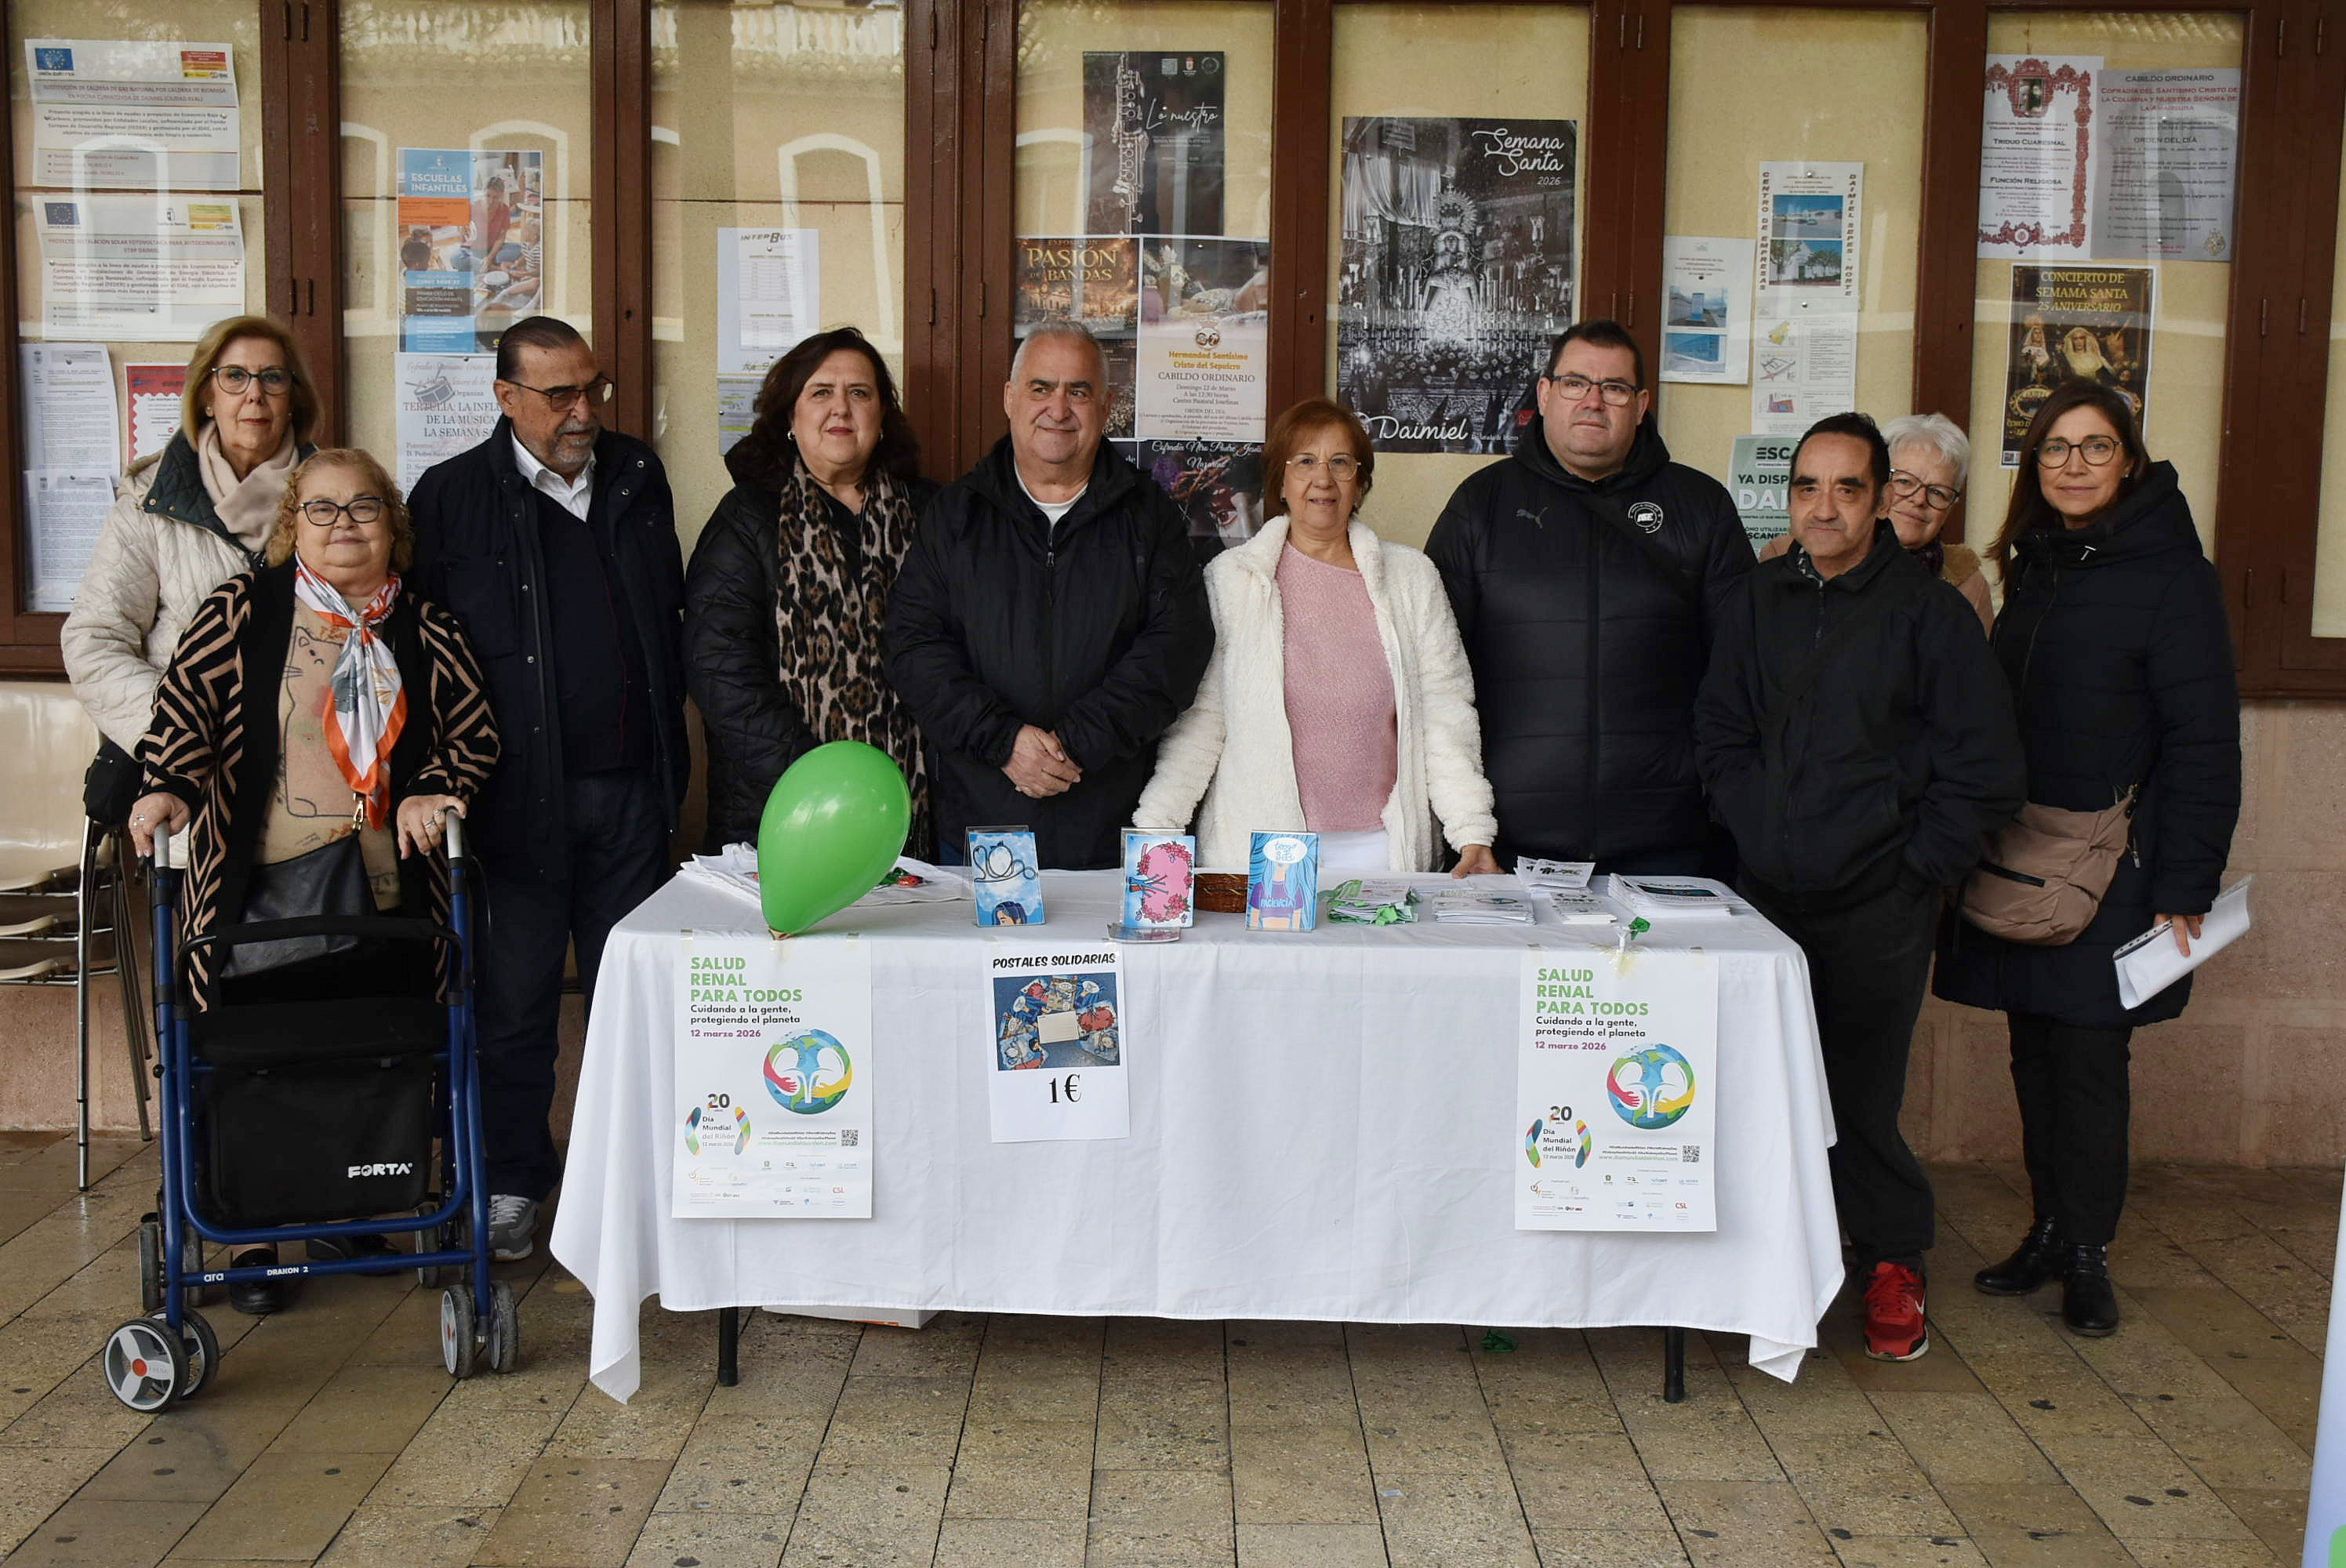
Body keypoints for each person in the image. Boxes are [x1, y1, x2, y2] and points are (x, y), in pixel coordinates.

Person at [124, 448, 499, 1314]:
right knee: (251, 1059)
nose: (343, 526)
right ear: (294, 523)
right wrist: (167, 787)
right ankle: (246, 1231)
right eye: (321, 509)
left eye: (364, 507)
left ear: (392, 524)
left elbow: (473, 733)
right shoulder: (243, 611)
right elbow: (183, 715)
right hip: (255, 897)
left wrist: (436, 786)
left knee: (365, 1054)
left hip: (388, 896)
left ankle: (350, 1210)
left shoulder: (426, 627)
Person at [1694, 412, 2024, 1363]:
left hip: (1880, 902)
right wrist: (1754, 822)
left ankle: (1890, 1261)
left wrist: (1915, 871)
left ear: (1881, 501)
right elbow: (1719, 731)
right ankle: (1760, 1268)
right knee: (1757, 1091)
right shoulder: (1756, 600)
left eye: (1847, 487)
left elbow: (1984, 769)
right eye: (1807, 487)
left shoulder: (1928, 614)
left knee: (1859, 1096)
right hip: (1764, 897)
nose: (1824, 506)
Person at [1934, 382, 2241, 1337]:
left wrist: (2185, 882)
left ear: (2129, 461)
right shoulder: (2036, 563)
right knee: (2034, 1052)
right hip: (2028, 852)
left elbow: (2203, 742)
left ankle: (2086, 1254)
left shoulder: (2174, 577)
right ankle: (2047, 1228)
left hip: (2117, 866)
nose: (2072, 465)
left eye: (2094, 446)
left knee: (2090, 1061)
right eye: (2054, 448)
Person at [409, 315, 685, 1261]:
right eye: (559, 393)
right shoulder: (450, 497)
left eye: (591, 388)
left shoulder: (637, 473)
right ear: (505, 396)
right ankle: (514, 1182)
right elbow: (423, 656)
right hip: (512, 803)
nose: (582, 411)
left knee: (631, 999)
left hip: (630, 793)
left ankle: (633, 1184)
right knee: (516, 1006)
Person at [1425, 319, 1754, 873]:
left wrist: (1722, 800)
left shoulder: (1702, 507)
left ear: (1641, 404)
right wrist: (1465, 822)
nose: (1593, 402)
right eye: (1575, 383)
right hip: (1508, 844)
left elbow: (1742, 670)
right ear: (1545, 395)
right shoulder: (1480, 506)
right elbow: (1434, 679)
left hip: (1669, 844)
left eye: (1615, 388)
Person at [884, 319, 1211, 869]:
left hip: (1112, 832)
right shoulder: (956, 516)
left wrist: (1076, 744)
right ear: (1010, 399)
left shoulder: (1150, 517)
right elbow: (913, 646)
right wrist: (1004, 740)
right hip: (980, 828)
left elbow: (1177, 648)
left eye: (1078, 391)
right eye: (1041, 388)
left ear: (1106, 407)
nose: (1058, 408)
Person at [1134, 397, 1499, 876]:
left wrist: (1471, 830)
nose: (1322, 479)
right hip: (1265, 854)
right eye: (1305, 461)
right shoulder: (1234, 579)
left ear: (1360, 483)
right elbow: (1202, 721)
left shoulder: (1411, 578)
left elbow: (1445, 715)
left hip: (1383, 853)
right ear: (1280, 482)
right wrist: (1157, 828)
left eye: (1340, 462)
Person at [686, 326, 937, 851]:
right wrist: (823, 780)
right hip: (783, 809)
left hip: (913, 805)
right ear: (790, 417)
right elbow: (721, 669)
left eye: (859, 392)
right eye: (821, 392)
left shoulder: (932, 514)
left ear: (882, 417)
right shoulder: (748, 518)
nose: (840, 408)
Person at [65, 317, 322, 826]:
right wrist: (180, 739)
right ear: (207, 396)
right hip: (192, 792)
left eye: (273, 377)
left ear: (293, 397)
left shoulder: (338, 497)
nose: (254, 394)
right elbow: (94, 641)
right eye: (235, 377)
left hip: (311, 791)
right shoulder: (149, 500)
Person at [1759, 412, 1992, 634]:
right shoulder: (1788, 557)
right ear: (1880, 491)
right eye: (1905, 481)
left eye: (1938, 492)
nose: (1920, 499)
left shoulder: (1968, 584)